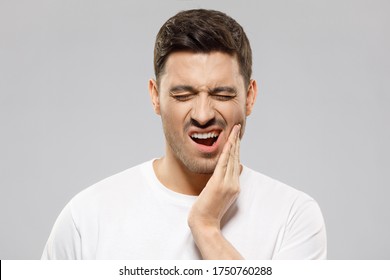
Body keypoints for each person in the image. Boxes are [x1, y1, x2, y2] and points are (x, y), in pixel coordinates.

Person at [41, 9, 326, 260]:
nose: (202, 115)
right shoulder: (87, 218)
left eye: (222, 94)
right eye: (183, 94)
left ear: (249, 98)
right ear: (155, 97)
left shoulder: (293, 216)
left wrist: (206, 228)